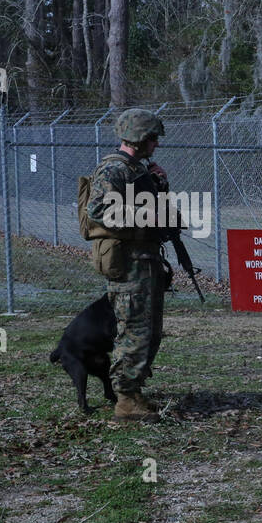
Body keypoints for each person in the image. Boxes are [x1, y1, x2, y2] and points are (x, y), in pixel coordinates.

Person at [84, 108, 177, 423]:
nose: (156, 144)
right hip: (129, 263)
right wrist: (145, 216)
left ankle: (134, 390)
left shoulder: (138, 169)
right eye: (152, 138)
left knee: (150, 331)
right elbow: (98, 210)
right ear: (139, 137)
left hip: (147, 261)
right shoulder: (113, 170)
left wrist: (159, 187)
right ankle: (125, 399)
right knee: (134, 329)